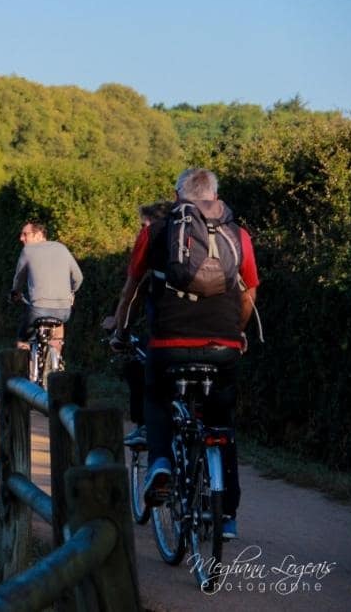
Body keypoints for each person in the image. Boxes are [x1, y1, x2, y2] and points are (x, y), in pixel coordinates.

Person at [108, 168, 259, 540]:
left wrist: (120, 330)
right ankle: (227, 517)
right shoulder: (238, 235)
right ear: (214, 196)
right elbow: (249, 293)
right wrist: (235, 334)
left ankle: (160, 462)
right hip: (223, 348)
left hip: (168, 345)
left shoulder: (156, 232)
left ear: (178, 197)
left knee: (156, 396)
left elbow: (132, 290)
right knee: (221, 424)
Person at [102, 200, 172, 447]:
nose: (140, 230)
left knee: (138, 367)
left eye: (143, 224)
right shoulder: (194, 243)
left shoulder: (152, 239)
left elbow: (131, 293)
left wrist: (120, 332)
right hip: (218, 336)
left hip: (167, 337)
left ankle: (145, 429)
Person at [9, 221, 83, 353]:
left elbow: (18, 279)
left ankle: (27, 371)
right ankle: (55, 363)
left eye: (25, 234)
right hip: (64, 311)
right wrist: (71, 292)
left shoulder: (28, 250)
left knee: (23, 339)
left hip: (38, 309)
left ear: (39, 235)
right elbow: (78, 277)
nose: (21, 238)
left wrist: (16, 293)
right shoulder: (61, 248)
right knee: (58, 326)